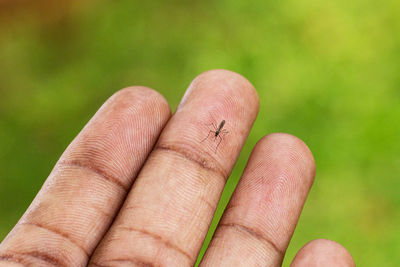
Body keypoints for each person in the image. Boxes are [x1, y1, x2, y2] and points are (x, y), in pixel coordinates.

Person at [0, 70, 355, 266]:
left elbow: (219, 131)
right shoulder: (215, 130)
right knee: (210, 138)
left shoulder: (219, 130)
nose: (217, 130)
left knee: (215, 139)